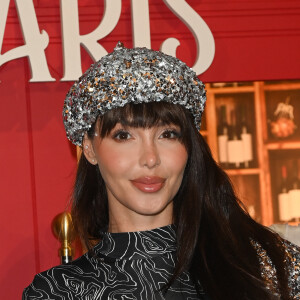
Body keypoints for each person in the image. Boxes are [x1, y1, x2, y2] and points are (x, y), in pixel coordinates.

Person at [23, 42, 300, 300]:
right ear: (90, 149)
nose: (150, 158)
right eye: (124, 136)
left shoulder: (268, 267)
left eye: (168, 134)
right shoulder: (58, 292)